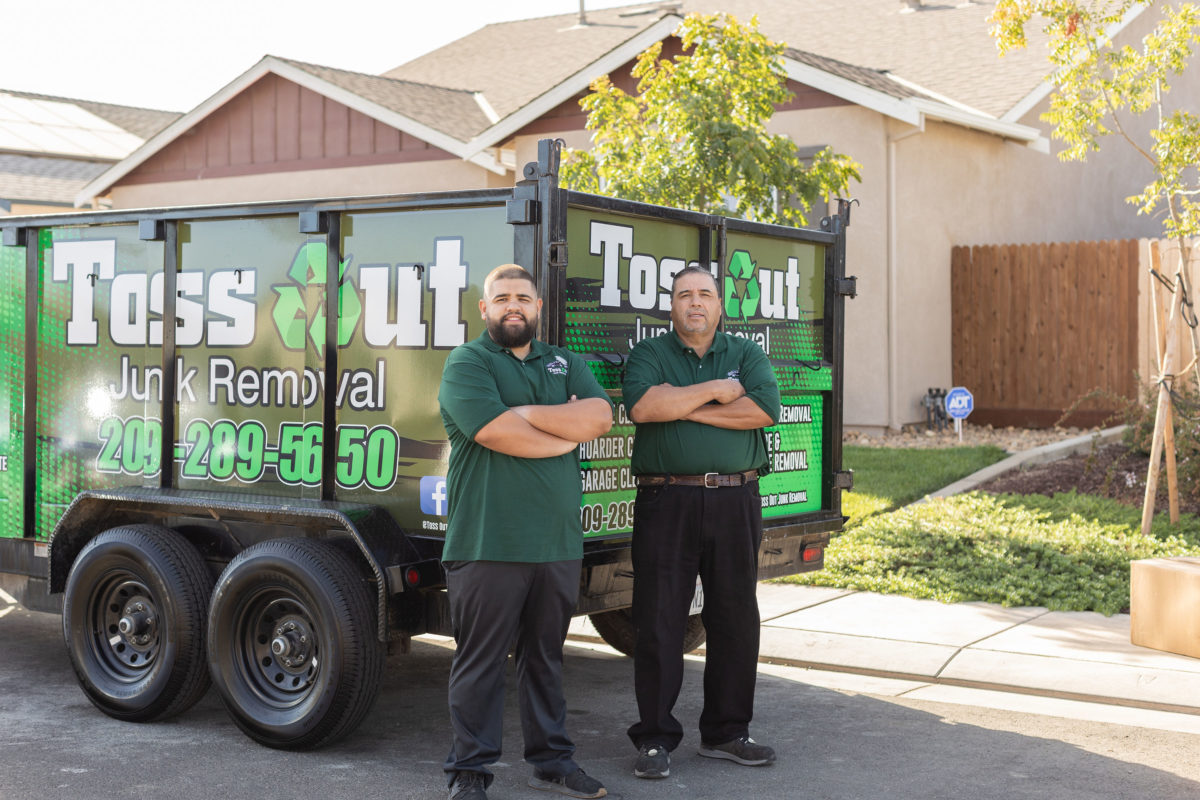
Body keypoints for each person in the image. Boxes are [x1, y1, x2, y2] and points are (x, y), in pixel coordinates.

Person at [438, 264, 613, 800]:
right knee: (480, 663)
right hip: (488, 541)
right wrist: (562, 429)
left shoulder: (563, 360)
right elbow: (495, 431)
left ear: (538, 307)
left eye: (524, 297)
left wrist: (527, 414)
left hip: (556, 543)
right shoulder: (468, 362)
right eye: (502, 298)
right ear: (484, 309)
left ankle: (553, 763)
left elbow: (601, 416)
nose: (513, 305)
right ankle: (469, 772)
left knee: (546, 658)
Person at [621, 265, 781, 779]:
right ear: (671, 306)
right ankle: (654, 739)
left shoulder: (747, 354)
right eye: (684, 294)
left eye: (705, 294)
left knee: (735, 617)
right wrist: (715, 390)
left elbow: (761, 411)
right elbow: (645, 408)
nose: (695, 302)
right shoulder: (650, 354)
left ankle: (728, 732)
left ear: (719, 305)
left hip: (736, 500)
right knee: (660, 619)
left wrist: (683, 407)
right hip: (667, 501)